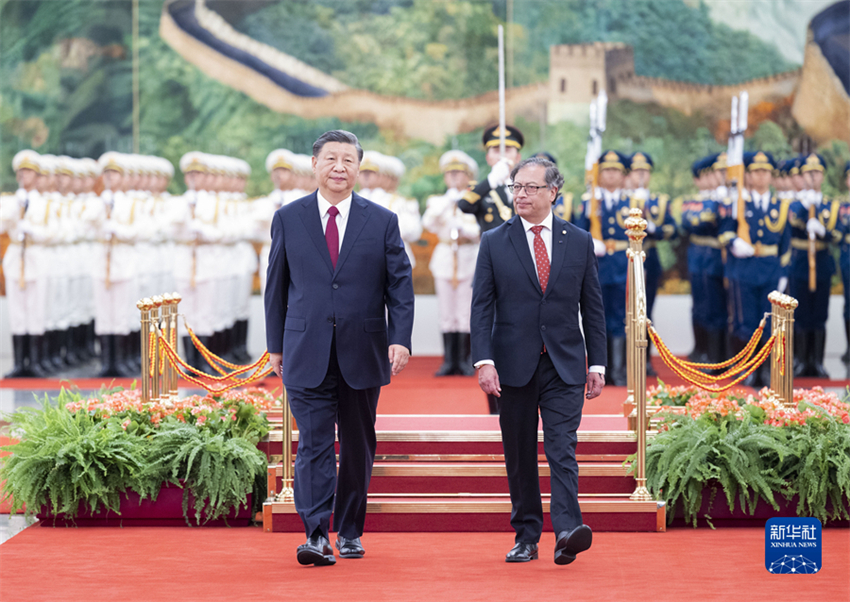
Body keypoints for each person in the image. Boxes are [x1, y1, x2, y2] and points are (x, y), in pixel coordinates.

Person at [265, 130, 415, 566]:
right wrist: (275, 345)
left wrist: (400, 337)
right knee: (312, 442)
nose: (338, 168)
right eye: (330, 159)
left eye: (348, 160)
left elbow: (399, 287)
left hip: (362, 349)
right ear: (314, 165)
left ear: (358, 168)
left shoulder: (382, 221)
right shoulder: (288, 218)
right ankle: (315, 533)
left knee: (356, 442)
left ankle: (349, 530)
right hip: (304, 347)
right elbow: (276, 287)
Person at [470, 156, 606, 565]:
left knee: (562, 447)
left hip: (564, 363)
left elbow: (593, 308)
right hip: (512, 364)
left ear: (554, 192)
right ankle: (526, 535)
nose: (522, 194)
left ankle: (566, 531)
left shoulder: (578, 240)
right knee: (520, 451)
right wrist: (483, 361)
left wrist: (597, 364)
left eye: (531, 187)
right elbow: (481, 307)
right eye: (517, 187)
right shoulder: (495, 240)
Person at [719, 151, 790, 388]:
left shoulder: (780, 206)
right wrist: (733, 242)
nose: (761, 176)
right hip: (744, 269)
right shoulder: (737, 203)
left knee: (770, 322)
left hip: (770, 269)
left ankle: (767, 372)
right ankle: (747, 370)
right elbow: (724, 231)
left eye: (766, 171)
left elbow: (786, 245)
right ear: (747, 175)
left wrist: (783, 273)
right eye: (756, 171)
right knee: (746, 321)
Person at [573, 150, 631, 386]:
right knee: (597, 317)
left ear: (623, 175)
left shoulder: (631, 203)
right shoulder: (589, 202)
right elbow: (578, 230)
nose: (610, 175)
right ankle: (600, 367)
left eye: (615, 170)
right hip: (596, 265)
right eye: (606, 170)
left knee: (619, 317)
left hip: (620, 263)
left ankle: (617, 369)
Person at [421, 150, 480, 379]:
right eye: (450, 173)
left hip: (468, 254)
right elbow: (428, 223)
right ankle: (449, 361)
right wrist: (448, 202)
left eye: (459, 173)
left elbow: (480, 231)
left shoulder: (475, 199)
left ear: (468, 175)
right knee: (446, 311)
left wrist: (465, 227)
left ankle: (465, 360)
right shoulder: (438, 200)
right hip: (445, 254)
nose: (454, 177)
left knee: (464, 311)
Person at [788, 153, 842, 377]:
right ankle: (801, 361)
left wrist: (822, 229)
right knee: (800, 313)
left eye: (816, 173)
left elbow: (838, 234)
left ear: (822, 176)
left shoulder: (831, 206)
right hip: (800, 261)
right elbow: (791, 224)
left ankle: (817, 362)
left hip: (821, 262)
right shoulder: (794, 205)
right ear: (801, 176)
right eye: (808, 173)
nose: (812, 177)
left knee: (820, 314)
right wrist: (805, 207)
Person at [628, 152, 677, 376]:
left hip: (650, 257)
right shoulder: (623, 199)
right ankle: (622, 359)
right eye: (636, 171)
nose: (640, 175)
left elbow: (672, 228)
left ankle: (645, 359)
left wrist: (656, 230)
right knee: (624, 310)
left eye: (644, 171)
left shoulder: (659, 201)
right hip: (625, 260)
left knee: (645, 310)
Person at [680, 155, 727, 366]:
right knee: (702, 306)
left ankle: (717, 355)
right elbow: (692, 223)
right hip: (700, 256)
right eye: (718, 172)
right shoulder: (699, 201)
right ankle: (703, 350)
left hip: (719, 256)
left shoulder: (727, 200)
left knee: (718, 308)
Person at [458, 124, 523, 234]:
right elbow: (464, 205)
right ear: (488, 158)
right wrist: (491, 180)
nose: (502, 156)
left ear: (517, 157)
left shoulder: (527, 188)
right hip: (491, 250)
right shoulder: (481, 189)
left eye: (507, 150)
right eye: (496, 151)